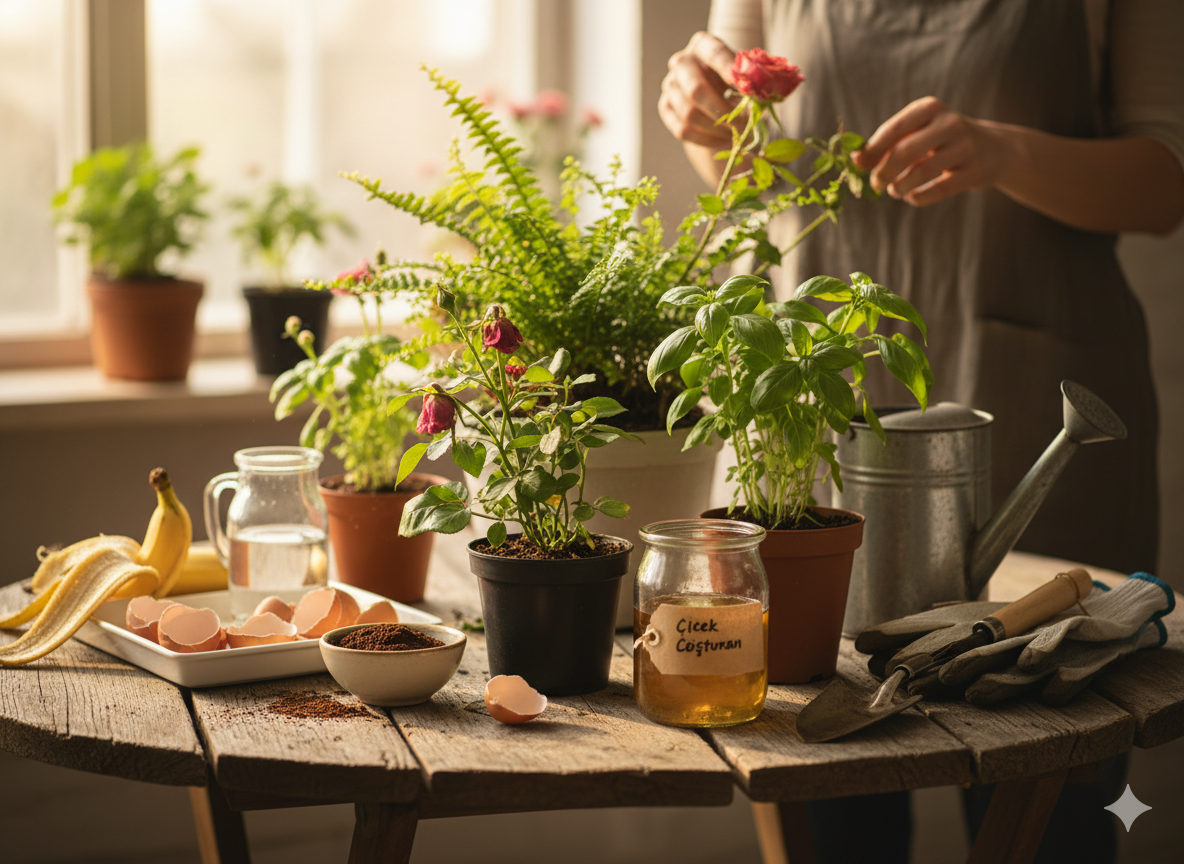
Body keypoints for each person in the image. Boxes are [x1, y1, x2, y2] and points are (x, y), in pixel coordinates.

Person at [659, 2, 1184, 862]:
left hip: (1034, 419)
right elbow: (747, 174)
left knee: (1054, 806)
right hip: (815, 409)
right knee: (832, 793)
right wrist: (709, 126)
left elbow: (1165, 183)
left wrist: (1009, 151)